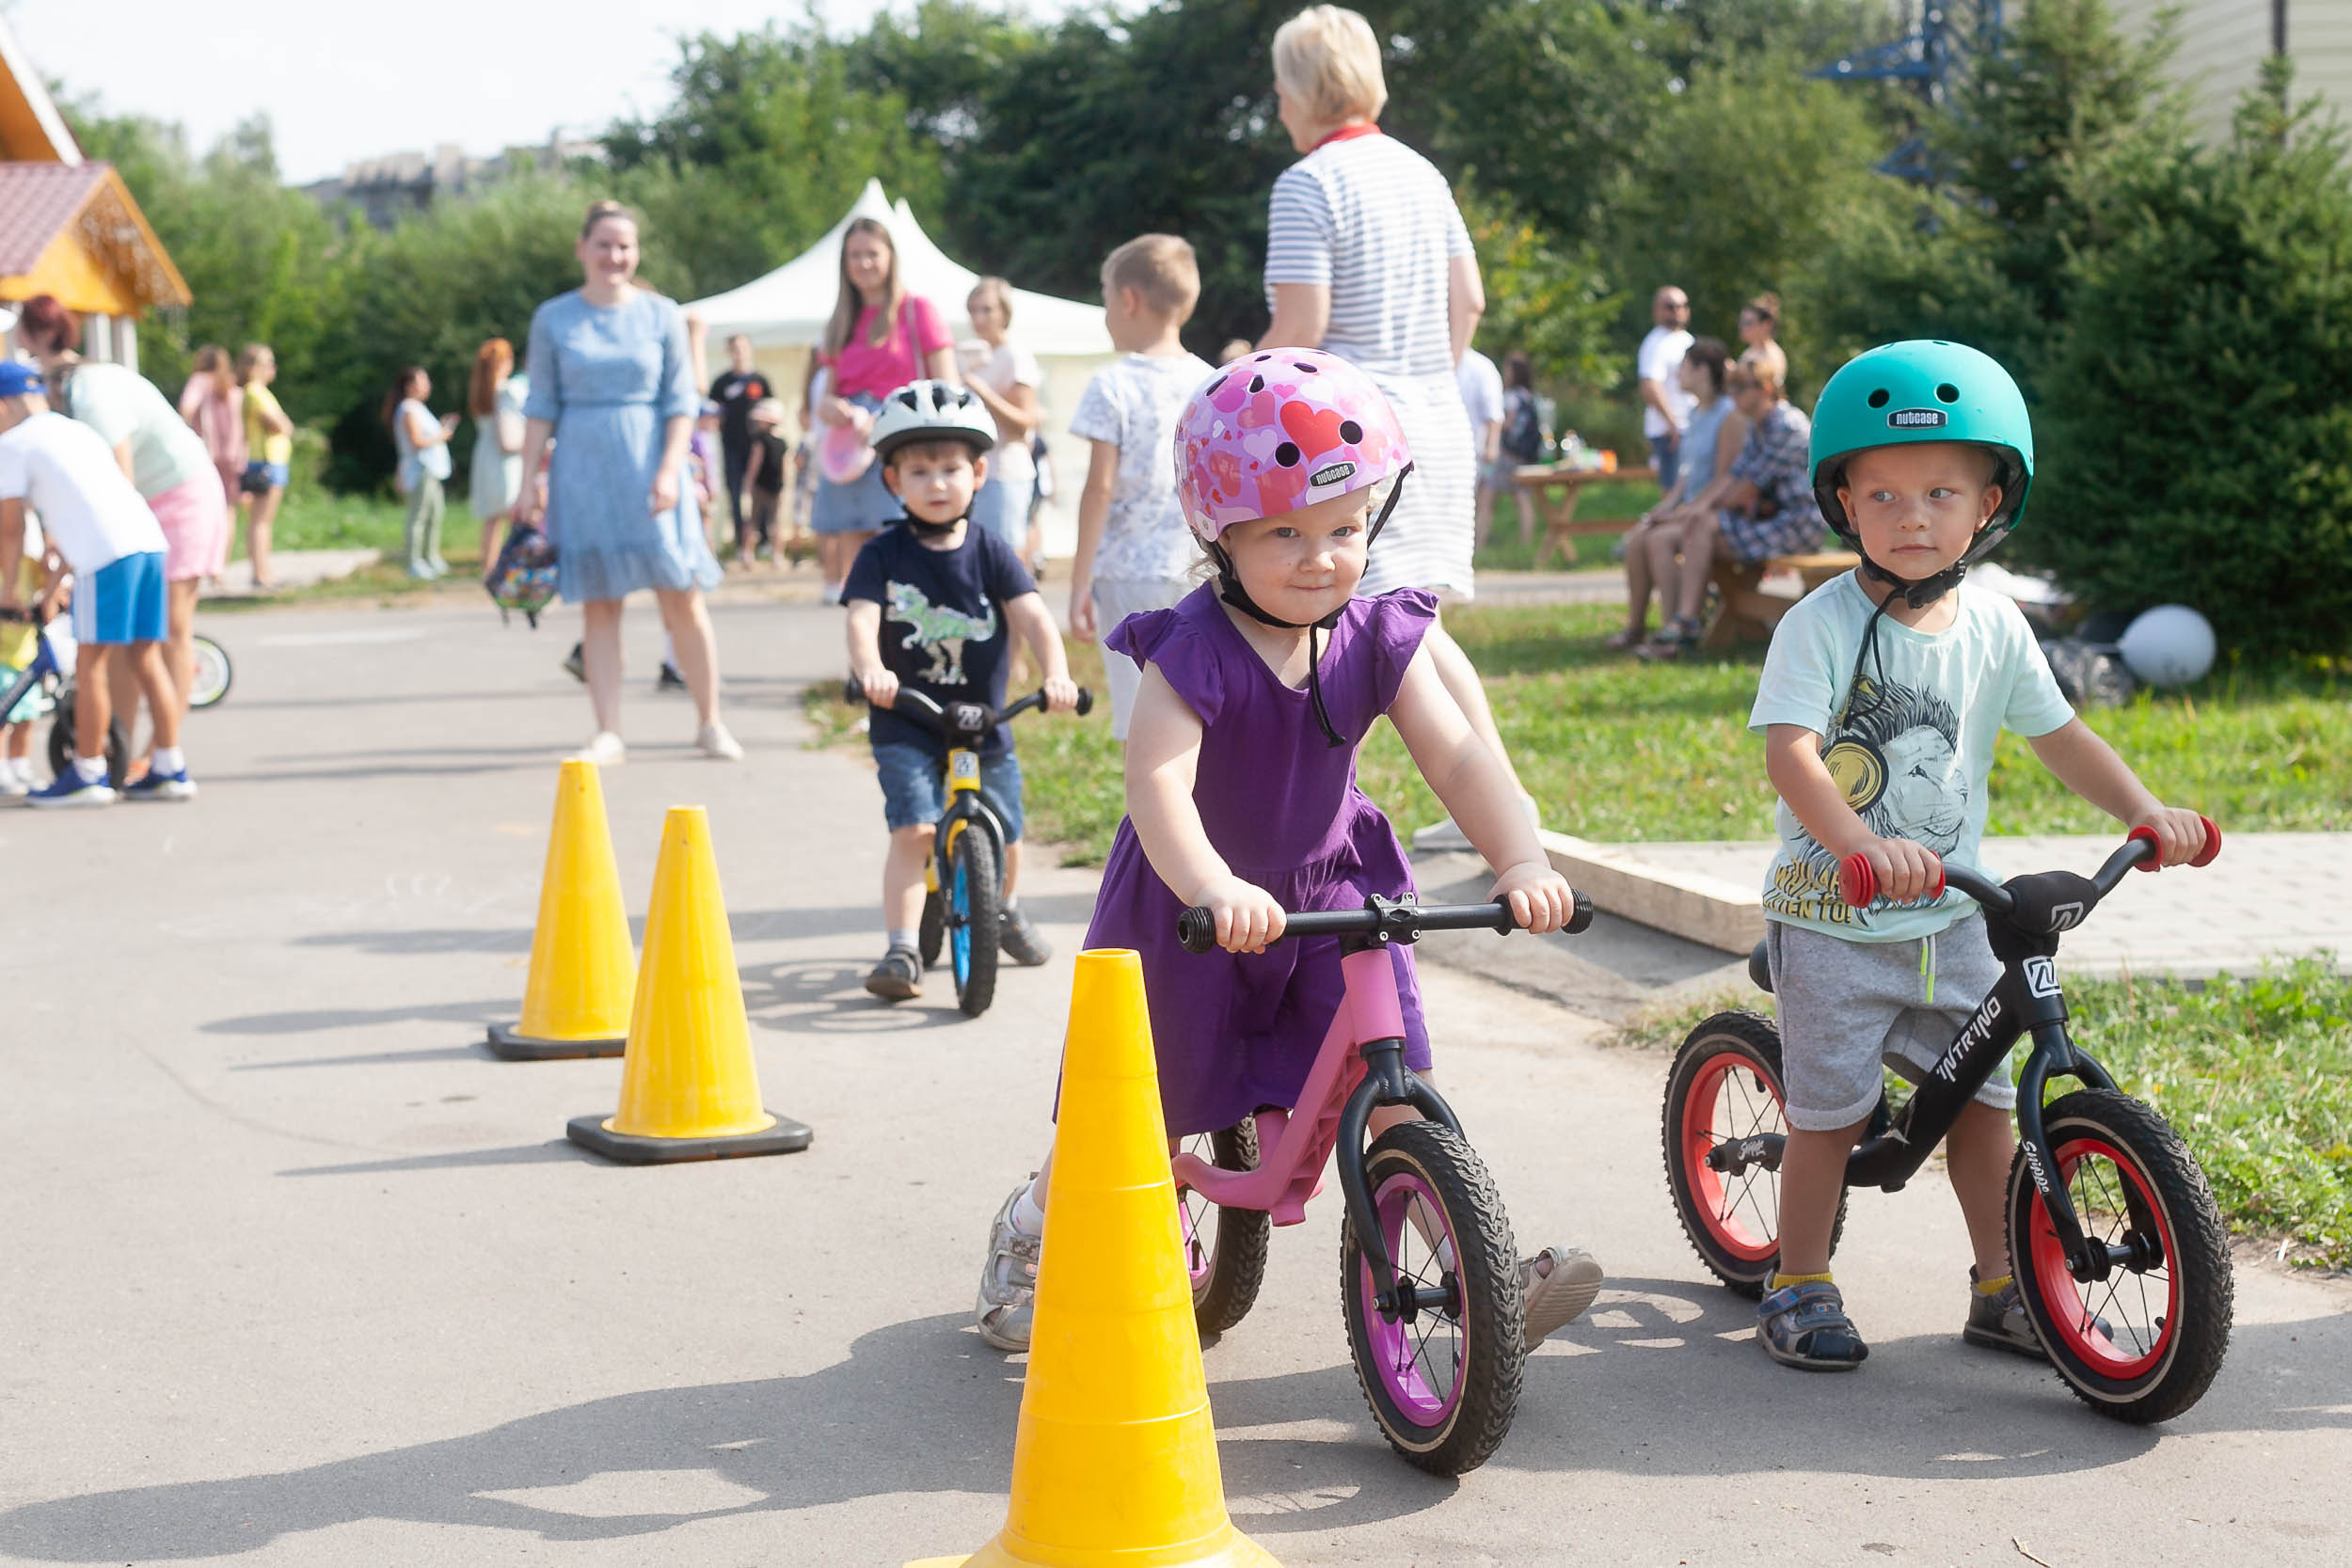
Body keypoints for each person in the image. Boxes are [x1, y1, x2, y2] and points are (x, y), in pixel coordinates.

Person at [972, 350, 1602, 1353]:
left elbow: (1457, 755)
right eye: (1286, 533)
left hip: (1332, 894)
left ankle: (1476, 1274)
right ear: (1216, 533)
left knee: (1390, 1093)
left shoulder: (1374, 635)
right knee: (1141, 1108)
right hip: (1187, 906)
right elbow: (1157, 786)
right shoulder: (1190, 648)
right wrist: (1212, 881)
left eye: (1345, 529)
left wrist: (1519, 859)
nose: (1322, 557)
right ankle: (1036, 1227)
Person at [1748, 339, 2210, 1370]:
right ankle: (1798, 1279)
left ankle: (2001, 1284)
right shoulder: (1816, 626)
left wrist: (2148, 812)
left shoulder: (1995, 625)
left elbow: (2060, 736)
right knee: (1827, 1113)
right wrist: (1859, 843)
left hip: (1953, 914)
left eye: (1941, 492)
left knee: (1987, 1108)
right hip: (1836, 913)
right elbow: (1791, 756)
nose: (1913, 517)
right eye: (1884, 495)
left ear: (1989, 502)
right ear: (1843, 503)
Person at [1256, 4, 1534, 848]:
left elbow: (1302, 322)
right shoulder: (1423, 172)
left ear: (1301, 91)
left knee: (1366, 626)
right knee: (1414, 624)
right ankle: (1494, 806)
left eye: (1278, 89)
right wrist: (1424, 381)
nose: (1275, 106)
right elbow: (1472, 300)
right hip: (1433, 419)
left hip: (1347, 435)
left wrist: (1238, 376)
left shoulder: (1308, 185)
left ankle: (1316, 817)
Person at [844, 381, 1077, 1001]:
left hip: (982, 717)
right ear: (894, 480)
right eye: (919, 471)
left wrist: (1055, 673)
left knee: (1008, 829)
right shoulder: (881, 554)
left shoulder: (992, 550)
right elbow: (862, 619)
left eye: (950, 468)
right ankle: (900, 946)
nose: (937, 483)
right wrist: (871, 668)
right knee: (914, 831)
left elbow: (1031, 616)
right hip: (907, 717)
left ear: (978, 473)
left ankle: (1005, 907)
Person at [514, 201, 737, 763]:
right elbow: (541, 404)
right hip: (583, 469)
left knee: (681, 598)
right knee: (600, 605)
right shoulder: (553, 318)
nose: (615, 255)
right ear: (582, 248)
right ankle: (608, 729)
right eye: (604, 244)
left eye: (625, 246)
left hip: (653, 465)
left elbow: (680, 399)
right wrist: (527, 483)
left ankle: (710, 721)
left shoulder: (663, 313)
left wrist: (669, 468)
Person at [18, 295, 230, 744]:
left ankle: (158, 753)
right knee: (125, 641)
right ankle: (122, 744)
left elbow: (118, 485)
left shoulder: (91, 392)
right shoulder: (69, 388)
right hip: (143, 508)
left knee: (168, 630)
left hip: (181, 497)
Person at [0, 360, 192, 804]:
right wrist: (51, 588)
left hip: (104, 557)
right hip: (147, 543)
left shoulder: (13, 444)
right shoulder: (74, 431)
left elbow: (9, 528)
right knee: (147, 658)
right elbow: (89, 505)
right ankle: (170, 767)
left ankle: (87, 773)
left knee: (91, 666)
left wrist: (10, 589)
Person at [1065, 234, 1216, 740]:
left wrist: (1079, 578)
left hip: (1128, 572)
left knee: (1141, 717)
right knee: (1200, 707)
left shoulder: (1111, 385)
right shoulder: (1212, 381)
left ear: (1128, 299)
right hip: (1201, 566)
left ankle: (1149, 816)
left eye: (1106, 297)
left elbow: (1100, 488)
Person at [808, 217, 959, 603]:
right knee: (857, 548)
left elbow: (946, 388)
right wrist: (832, 409)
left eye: (872, 253)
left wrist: (887, 420)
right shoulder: (841, 321)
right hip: (850, 451)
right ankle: (868, 645)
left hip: (902, 441)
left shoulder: (917, 311)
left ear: (890, 256)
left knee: (905, 540)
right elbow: (824, 395)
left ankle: (908, 635)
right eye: (854, 256)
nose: (863, 263)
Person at [1645, 359, 1825, 657]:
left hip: (1799, 525)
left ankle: (1686, 623)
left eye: (1740, 388)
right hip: (1772, 521)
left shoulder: (1786, 426)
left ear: (1766, 389)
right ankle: (1684, 623)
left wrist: (1694, 512)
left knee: (1701, 527)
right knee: (1698, 527)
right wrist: (1692, 510)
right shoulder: (1758, 425)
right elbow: (1732, 476)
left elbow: (1745, 489)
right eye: (1732, 388)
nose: (1733, 396)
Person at [1610, 338, 1742, 649]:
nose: (1677, 376)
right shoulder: (1695, 414)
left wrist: (1681, 513)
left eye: (1683, 368)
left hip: (1715, 512)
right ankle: (1636, 627)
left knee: (1658, 539)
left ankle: (1674, 632)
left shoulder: (1729, 415)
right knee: (1639, 537)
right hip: (1690, 509)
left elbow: (1726, 478)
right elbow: (1686, 476)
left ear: (1703, 371)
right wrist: (1664, 508)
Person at [962, 277, 1042, 558]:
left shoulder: (1015, 355)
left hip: (1006, 473)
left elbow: (1023, 425)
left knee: (1004, 559)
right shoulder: (977, 355)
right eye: (973, 310)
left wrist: (982, 392)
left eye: (987, 310)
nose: (978, 318)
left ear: (1004, 313)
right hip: (978, 472)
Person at [0, 511, 55, 797]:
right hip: (1, 657)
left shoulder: (28, 565)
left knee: (26, 716)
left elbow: (48, 585)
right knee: (3, 716)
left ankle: (19, 764)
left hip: (26, 655)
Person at [386, 367, 456, 579]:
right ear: (410, 386)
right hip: (420, 470)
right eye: (422, 381)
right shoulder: (408, 409)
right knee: (419, 516)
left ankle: (430, 557)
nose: (428, 386)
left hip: (431, 470)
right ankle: (413, 561)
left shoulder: (418, 408)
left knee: (435, 514)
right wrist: (442, 435)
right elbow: (416, 441)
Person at [468, 338, 529, 569]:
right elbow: (508, 438)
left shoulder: (482, 392)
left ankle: (489, 567)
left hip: (484, 455)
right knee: (513, 514)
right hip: (505, 460)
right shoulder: (507, 391)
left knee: (492, 518)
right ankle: (514, 567)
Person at [237, 344, 294, 591]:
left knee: (262, 521)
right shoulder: (255, 392)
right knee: (261, 521)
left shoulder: (259, 392)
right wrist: (284, 424)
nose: (273, 368)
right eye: (268, 363)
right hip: (265, 462)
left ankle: (263, 570)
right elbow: (279, 425)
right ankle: (260, 573)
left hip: (270, 461)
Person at [706, 333, 772, 542]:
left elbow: (772, 409)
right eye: (734, 349)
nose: (739, 353)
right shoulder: (721, 383)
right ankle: (740, 541)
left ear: (749, 350)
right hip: (731, 446)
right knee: (735, 493)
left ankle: (763, 540)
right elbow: (711, 413)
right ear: (729, 352)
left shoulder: (760, 380)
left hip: (759, 448)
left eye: (742, 348)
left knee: (761, 492)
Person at [1637, 285, 1696, 493]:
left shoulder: (1686, 340)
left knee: (1690, 490)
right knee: (1674, 493)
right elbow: (1649, 386)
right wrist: (1673, 424)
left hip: (1688, 427)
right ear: (1657, 311)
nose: (1677, 310)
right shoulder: (1656, 343)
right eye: (1670, 306)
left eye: (1682, 305)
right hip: (1670, 431)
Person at [178, 345, 245, 514]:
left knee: (208, 504)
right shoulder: (232, 386)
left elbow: (186, 408)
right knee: (229, 506)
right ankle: (227, 540)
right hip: (232, 454)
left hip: (207, 452)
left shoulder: (200, 380)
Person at [1494, 350, 1546, 546]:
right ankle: (1527, 541)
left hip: (1510, 453)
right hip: (1526, 454)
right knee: (1523, 496)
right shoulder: (1529, 395)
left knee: (1488, 495)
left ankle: (1480, 540)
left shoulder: (1511, 397)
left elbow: (1508, 423)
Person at [1456, 344, 1506, 546]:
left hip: (1476, 449)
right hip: (1461, 447)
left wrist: (1491, 447)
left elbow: (1493, 415)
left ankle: (1478, 545)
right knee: (1472, 503)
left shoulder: (1480, 366)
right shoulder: (1478, 365)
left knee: (1480, 501)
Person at [737, 397, 789, 566]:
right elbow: (785, 466)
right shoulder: (782, 442)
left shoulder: (760, 441)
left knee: (754, 521)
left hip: (761, 486)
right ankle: (776, 556)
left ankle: (747, 554)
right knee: (774, 522)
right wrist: (784, 485)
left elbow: (755, 463)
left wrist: (748, 483)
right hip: (776, 486)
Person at [1739, 292, 1788, 389]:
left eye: (1748, 322)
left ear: (1766, 325)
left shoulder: (1773, 355)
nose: (1742, 327)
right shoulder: (1747, 353)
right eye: (1742, 322)